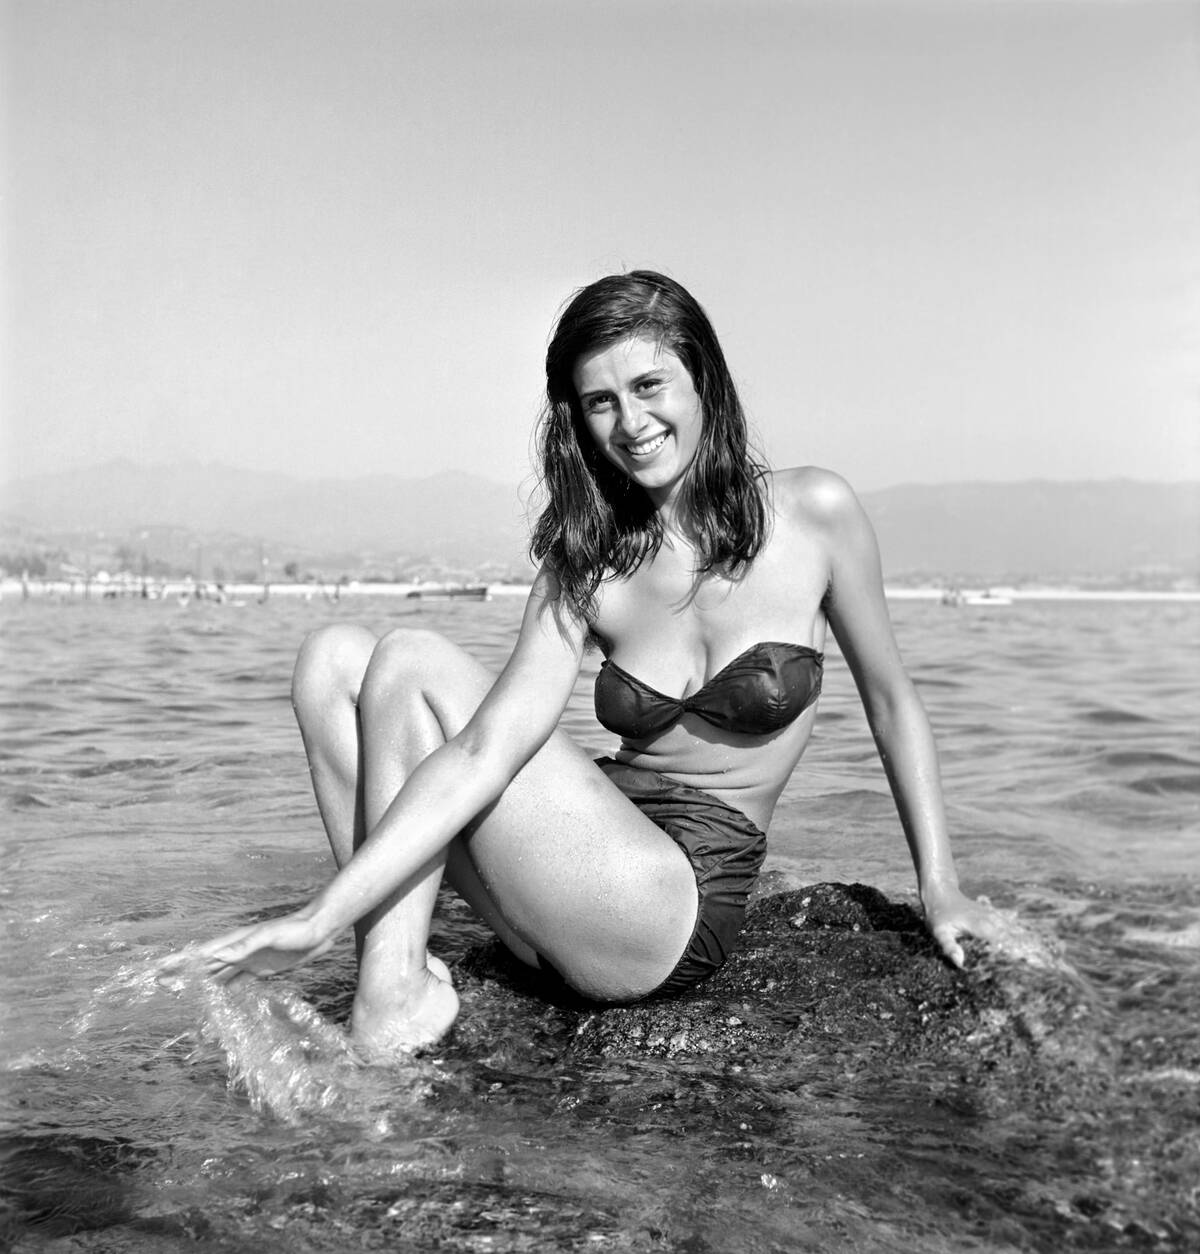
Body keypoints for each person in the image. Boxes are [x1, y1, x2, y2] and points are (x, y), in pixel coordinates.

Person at [171, 271, 1006, 1057]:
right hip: (576, 872)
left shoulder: (816, 513)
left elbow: (892, 705)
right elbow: (483, 749)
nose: (630, 422)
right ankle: (391, 976)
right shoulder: (587, 562)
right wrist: (321, 915)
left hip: (667, 905)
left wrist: (940, 888)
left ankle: (388, 988)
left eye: (648, 387)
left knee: (413, 657)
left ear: (702, 380)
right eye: (600, 402)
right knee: (334, 661)